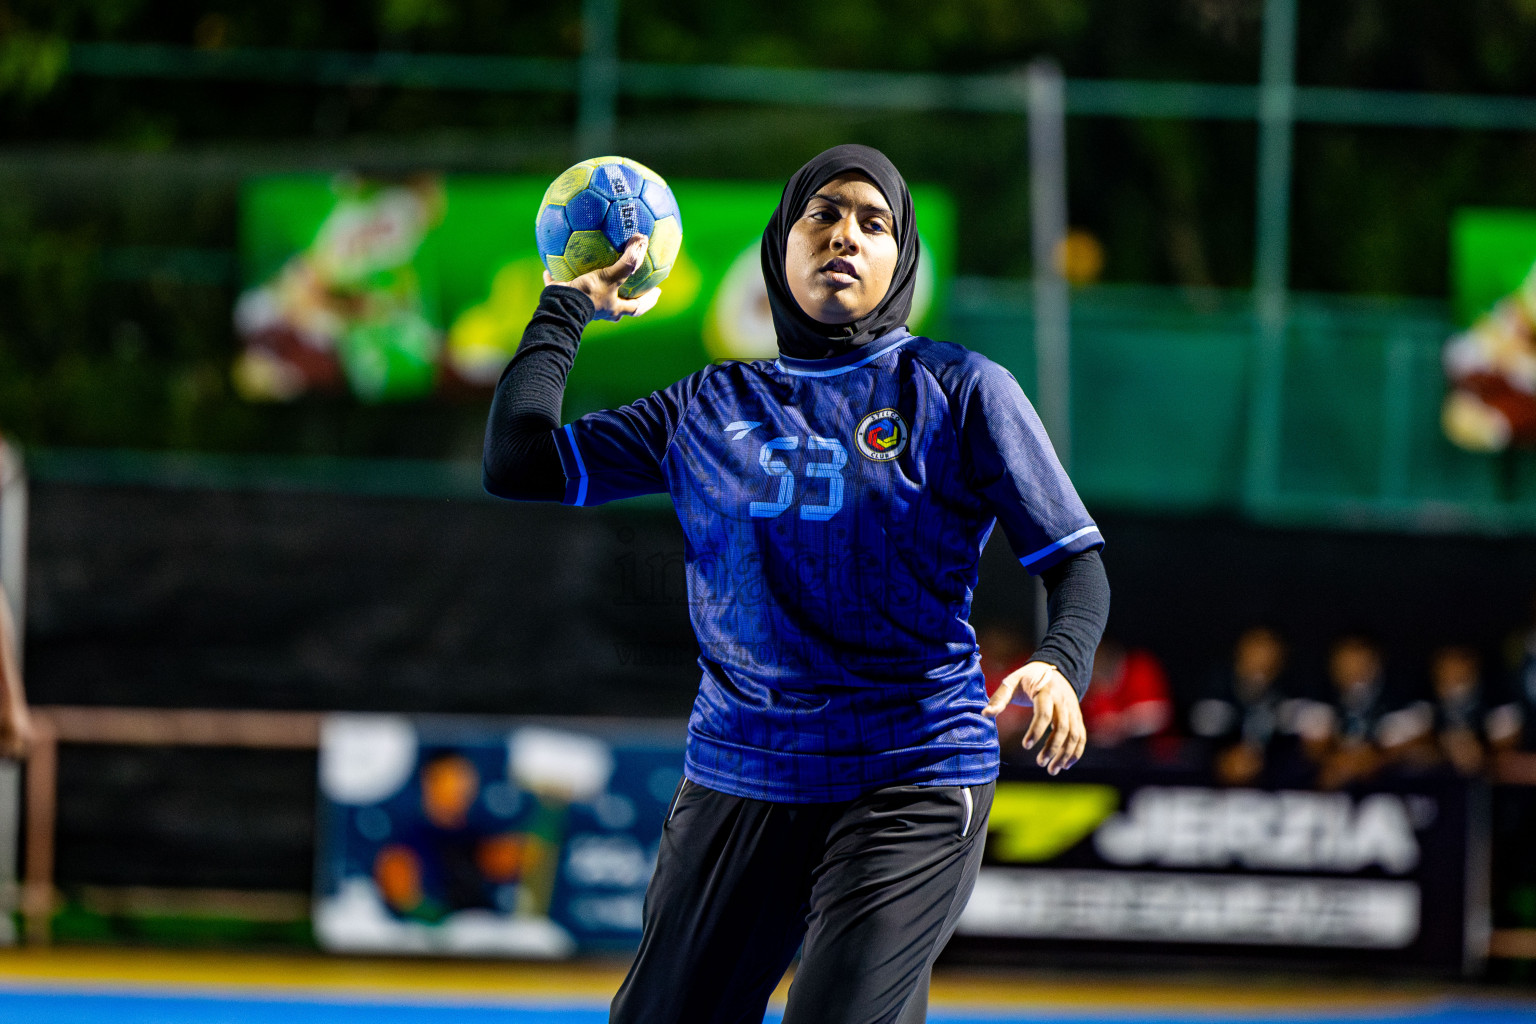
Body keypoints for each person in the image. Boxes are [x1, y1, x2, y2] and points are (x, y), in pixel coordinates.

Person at [482, 145, 1109, 1024]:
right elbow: (519, 462)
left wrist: (1060, 663)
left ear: (903, 260)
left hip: (912, 768)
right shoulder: (704, 405)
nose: (845, 235)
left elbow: (1075, 563)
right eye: (822, 215)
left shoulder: (961, 390)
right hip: (744, 766)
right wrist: (565, 307)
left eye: (873, 221)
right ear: (780, 247)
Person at [1189, 626, 1296, 785]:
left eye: (1270, 653)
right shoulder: (1214, 692)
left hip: (1273, 792)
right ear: (1240, 652)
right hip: (1209, 791)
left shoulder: (1291, 697)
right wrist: (1222, 760)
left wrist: (1263, 762)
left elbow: (1303, 751)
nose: (1262, 658)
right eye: (1256, 648)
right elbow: (1196, 747)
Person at [1078, 636, 1172, 749]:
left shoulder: (1139, 668)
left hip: (1154, 753)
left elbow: (1161, 714)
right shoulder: (1088, 685)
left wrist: (1122, 723)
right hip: (1104, 757)